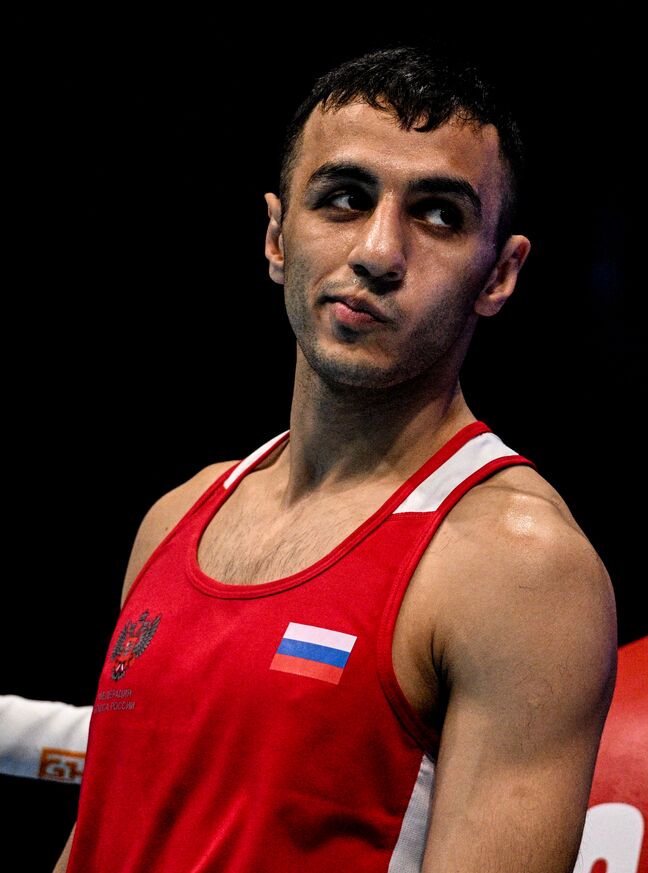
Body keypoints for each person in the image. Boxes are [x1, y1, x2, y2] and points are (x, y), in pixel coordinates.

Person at [56, 46, 616, 873]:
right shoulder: (175, 519)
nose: (380, 251)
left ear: (499, 274)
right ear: (279, 236)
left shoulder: (519, 569)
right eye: (346, 200)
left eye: (437, 215)